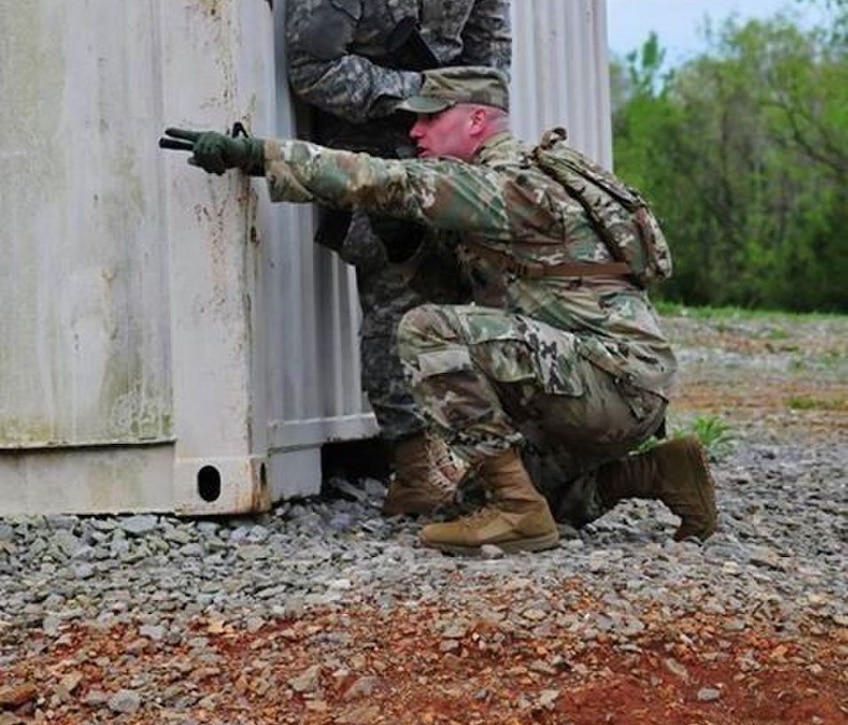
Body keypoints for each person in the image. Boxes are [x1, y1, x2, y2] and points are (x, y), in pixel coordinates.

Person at [160, 68, 718, 555]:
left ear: (476, 121)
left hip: (610, 384)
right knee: (470, 502)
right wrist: (402, 242)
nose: (416, 131)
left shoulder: (507, 183)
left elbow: (385, 180)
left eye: (432, 119)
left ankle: (520, 512)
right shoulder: (510, 190)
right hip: (611, 388)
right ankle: (659, 470)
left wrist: (256, 155)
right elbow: (450, 285)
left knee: (427, 334)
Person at [283, 0, 514, 519]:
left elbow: (489, 25)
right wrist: (411, 95)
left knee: (487, 267)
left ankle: (493, 450)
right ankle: (412, 461)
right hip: (366, 137)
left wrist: (474, 111)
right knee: (394, 279)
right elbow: (310, 70)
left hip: (450, 133)